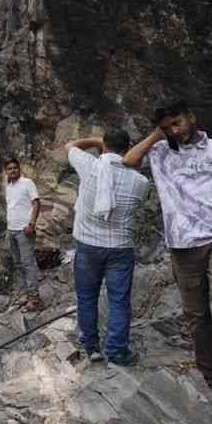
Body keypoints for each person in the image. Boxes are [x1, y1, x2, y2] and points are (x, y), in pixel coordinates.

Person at [123, 102, 212, 392]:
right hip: (182, 245)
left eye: (178, 122)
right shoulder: (158, 152)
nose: (176, 130)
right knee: (196, 315)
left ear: (192, 117)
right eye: (168, 126)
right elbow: (129, 161)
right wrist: (156, 136)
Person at [65, 129, 150, 366]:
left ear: (105, 146)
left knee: (86, 298)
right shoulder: (140, 181)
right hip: (120, 248)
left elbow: (70, 145)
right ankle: (117, 351)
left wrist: (95, 141)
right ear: (128, 149)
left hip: (88, 246)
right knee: (119, 301)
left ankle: (91, 347)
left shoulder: (90, 166)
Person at [3, 161, 42, 312]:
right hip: (11, 230)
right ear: (6, 172)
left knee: (28, 263)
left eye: (14, 168)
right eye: (9, 168)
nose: (12, 170)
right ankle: (25, 294)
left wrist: (31, 224)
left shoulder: (27, 183)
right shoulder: (9, 187)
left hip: (24, 231)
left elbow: (36, 203)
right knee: (18, 264)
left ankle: (35, 298)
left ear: (19, 169)